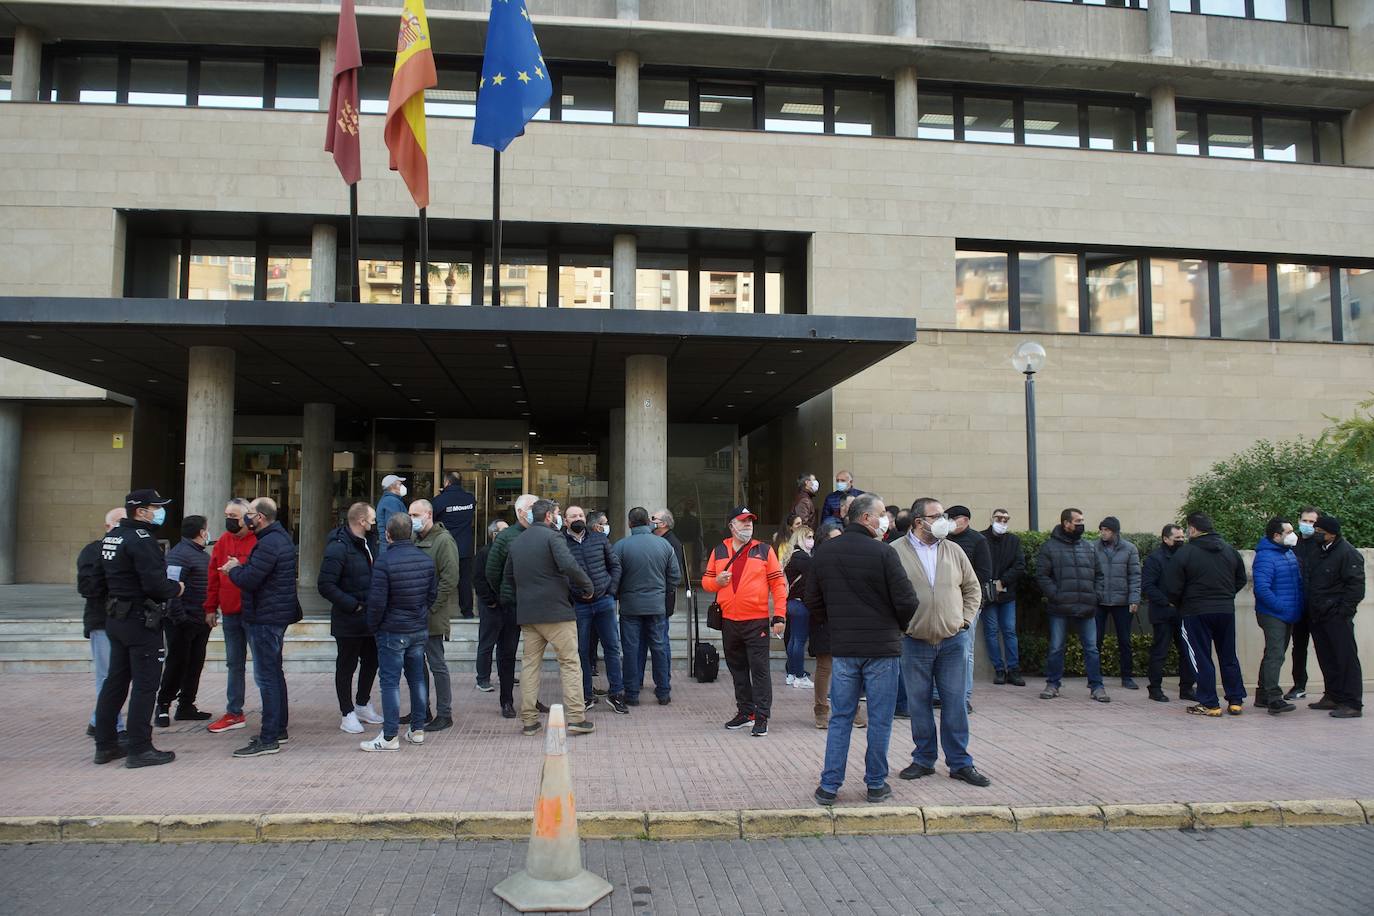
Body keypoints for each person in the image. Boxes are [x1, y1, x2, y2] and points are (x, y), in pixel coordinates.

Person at [807, 494, 920, 806]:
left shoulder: (825, 552)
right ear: (867, 518)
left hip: (844, 646)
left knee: (841, 716)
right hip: (882, 648)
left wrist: (835, 622)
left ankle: (829, 785)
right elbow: (907, 600)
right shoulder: (883, 553)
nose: (886, 519)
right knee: (880, 719)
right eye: (882, 514)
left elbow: (812, 601)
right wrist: (895, 625)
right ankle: (875, 784)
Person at [890, 498, 990, 787]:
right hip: (914, 641)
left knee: (955, 703)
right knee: (918, 704)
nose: (945, 520)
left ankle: (960, 763)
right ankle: (923, 759)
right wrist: (900, 627)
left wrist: (965, 622)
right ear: (919, 522)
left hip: (952, 640)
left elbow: (973, 589)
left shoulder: (954, 550)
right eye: (938, 515)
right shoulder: (895, 552)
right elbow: (884, 593)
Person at [93, 489, 183, 768]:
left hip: (117, 618)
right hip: (140, 620)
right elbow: (155, 584)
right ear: (141, 511)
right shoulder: (142, 540)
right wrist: (176, 589)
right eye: (155, 507)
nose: (159, 512)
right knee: (145, 686)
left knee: (115, 682)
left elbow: (98, 581)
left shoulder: (112, 537)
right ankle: (140, 748)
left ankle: (106, 744)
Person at [502, 499, 596, 736]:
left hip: (529, 614)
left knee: (530, 665)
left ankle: (529, 720)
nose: (558, 517)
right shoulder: (553, 537)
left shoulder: (518, 541)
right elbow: (569, 565)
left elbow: (508, 577)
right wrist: (587, 585)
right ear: (548, 517)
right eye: (557, 514)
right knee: (570, 663)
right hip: (557, 612)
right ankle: (576, 717)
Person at [702, 506, 788, 737]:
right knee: (737, 669)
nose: (748, 525)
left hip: (756, 621)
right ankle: (745, 712)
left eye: (750, 521)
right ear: (732, 526)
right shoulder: (719, 550)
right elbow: (707, 582)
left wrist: (779, 615)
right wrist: (718, 581)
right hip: (729, 621)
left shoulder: (763, 550)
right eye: (742, 521)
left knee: (759, 670)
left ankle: (762, 717)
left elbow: (778, 585)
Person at [224, 497, 298, 757]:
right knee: (273, 674)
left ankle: (269, 737)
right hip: (271, 615)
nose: (247, 518)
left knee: (267, 677)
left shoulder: (269, 543)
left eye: (251, 513)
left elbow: (251, 579)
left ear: (261, 517)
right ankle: (277, 729)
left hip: (266, 617)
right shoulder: (277, 539)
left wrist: (234, 569)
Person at [361, 513, 436, 751]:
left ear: (388, 534)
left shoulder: (384, 561)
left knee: (390, 683)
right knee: (416, 679)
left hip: (392, 629)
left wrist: (374, 625)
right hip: (416, 627)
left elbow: (377, 601)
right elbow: (431, 594)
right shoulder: (425, 560)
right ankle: (417, 729)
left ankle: (390, 735)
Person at [1163, 512, 1249, 718]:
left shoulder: (1185, 553)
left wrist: (1182, 603)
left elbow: (1171, 587)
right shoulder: (1229, 551)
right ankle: (1235, 700)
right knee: (1228, 655)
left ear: (1192, 529)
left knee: (1200, 657)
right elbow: (1241, 579)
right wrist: (1226, 596)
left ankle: (1210, 702)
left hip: (1195, 612)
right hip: (1225, 610)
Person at [318, 502, 382, 734]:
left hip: (369, 619)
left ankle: (363, 703)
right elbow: (325, 585)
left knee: (371, 661)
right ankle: (347, 713)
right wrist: (352, 605)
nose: (375, 523)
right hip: (349, 620)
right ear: (362, 521)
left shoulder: (369, 543)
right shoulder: (338, 547)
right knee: (346, 666)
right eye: (372, 518)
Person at [1036, 508, 1109, 703]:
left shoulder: (1088, 547)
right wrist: (1056, 596)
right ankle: (1053, 684)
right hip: (1059, 607)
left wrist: (1096, 596)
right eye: (1077, 521)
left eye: (1082, 520)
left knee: (1092, 649)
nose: (1081, 524)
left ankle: (1097, 687)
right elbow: (1042, 576)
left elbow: (1099, 575)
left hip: (1087, 606)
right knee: (1056, 647)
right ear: (1066, 523)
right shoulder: (1049, 547)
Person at [615, 507, 680, 707]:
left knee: (631, 649)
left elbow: (614, 577)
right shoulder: (664, 545)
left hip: (630, 606)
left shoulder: (620, 546)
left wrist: (620, 594)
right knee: (659, 648)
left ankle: (632, 693)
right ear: (648, 522)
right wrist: (662, 592)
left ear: (629, 523)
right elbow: (675, 576)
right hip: (656, 605)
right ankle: (663, 692)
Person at [564, 505, 626, 714]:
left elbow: (615, 565)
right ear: (565, 521)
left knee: (612, 648)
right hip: (579, 605)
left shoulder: (599, 539)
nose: (578, 518)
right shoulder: (560, 543)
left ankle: (616, 693)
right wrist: (572, 595)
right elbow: (560, 574)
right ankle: (586, 695)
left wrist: (611, 590)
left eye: (580, 515)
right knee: (582, 651)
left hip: (604, 602)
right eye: (573, 516)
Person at [806, 522, 868, 730]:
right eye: (833, 539)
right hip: (824, 621)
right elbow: (811, 595)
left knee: (851, 668)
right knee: (825, 667)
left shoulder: (852, 562)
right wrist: (824, 615)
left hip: (849, 621)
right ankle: (821, 711)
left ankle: (853, 710)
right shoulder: (817, 562)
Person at [205, 498, 257, 735]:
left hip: (254, 613)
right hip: (230, 612)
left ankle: (276, 712)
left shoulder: (259, 540)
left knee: (265, 665)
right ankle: (234, 711)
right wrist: (210, 607)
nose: (229, 520)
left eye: (234, 517)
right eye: (227, 515)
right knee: (234, 663)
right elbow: (213, 576)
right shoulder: (223, 541)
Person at [1304, 515, 1365, 719]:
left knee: (1345, 658)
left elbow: (1355, 587)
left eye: (1320, 532)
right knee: (1327, 657)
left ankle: (1352, 702)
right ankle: (1333, 695)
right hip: (1319, 614)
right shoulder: (1318, 551)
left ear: (1332, 534)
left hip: (1337, 616)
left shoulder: (1348, 553)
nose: (1316, 534)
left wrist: (1343, 611)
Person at [155, 515, 213, 726]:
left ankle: (187, 704)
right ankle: (163, 705)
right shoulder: (179, 555)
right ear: (201, 532)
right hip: (182, 622)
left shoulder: (201, 555)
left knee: (195, 664)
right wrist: (181, 619)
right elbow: (172, 590)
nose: (208, 533)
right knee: (177, 664)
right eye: (206, 529)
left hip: (200, 621)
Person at [409, 499, 459, 732]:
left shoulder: (443, 541)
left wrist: (432, 607)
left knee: (437, 664)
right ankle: (421, 709)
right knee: (416, 665)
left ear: (428, 514)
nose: (412, 519)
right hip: (413, 614)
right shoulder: (412, 539)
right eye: (410, 515)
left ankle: (444, 713)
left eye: (416, 514)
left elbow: (450, 579)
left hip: (432, 614)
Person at [78, 507, 126, 739]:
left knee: (118, 676)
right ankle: (112, 727)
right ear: (108, 526)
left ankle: (99, 721)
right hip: (102, 621)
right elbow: (88, 587)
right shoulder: (94, 551)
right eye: (120, 522)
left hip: (122, 621)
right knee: (108, 676)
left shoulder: (128, 548)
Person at [1251, 517, 1302, 715]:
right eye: (1288, 532)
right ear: (1276, 535)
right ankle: (1273, 697)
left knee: (1273, 653)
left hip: (1287, 613)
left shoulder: (1287, 553)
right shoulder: (1265, 557)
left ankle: (1263, 694)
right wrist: (1282, 608)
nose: (1292, 535)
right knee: (1275, 654)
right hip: (1274, 614)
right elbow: (1262, 589)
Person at [1141, 524, 1196, 703]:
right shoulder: (1155, 559)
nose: (1181, 541)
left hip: (1183, 612)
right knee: (1160, 652)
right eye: (1177, 538)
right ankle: (1155, 688)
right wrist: (1167, 601)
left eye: (1182, 538)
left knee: (1187, 652)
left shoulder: (1187, 557)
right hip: (1163, 613)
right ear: (1165, 539)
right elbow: (1148, 586)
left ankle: (1187, 688)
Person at [944, 505, 990, 712]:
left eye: (955, 518)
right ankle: (940, 695)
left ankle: (964, 697)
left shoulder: (978, 541)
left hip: (968, 603)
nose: (951, 522)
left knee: (966, 650)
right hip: (946, 603)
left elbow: (983, 573)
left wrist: (957, 583)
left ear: (966, 520)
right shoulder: (942, 539)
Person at [1094, 516, 1142, 690]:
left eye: (1106, 530)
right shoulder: (1093, 547)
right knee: (1095, 641)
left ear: (1114, 531)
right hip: (1099, 601)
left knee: (1124, 640)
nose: (1103, 533)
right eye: (1101, 530)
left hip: (1122, 601)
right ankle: (1094, 676)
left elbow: (1135, 575)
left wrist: (1134, 599)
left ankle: (1127, 677)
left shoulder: (1129, 549)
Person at [981, 509, 1024, 686]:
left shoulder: (1013, 541)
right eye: (999, 518)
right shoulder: (981, 539)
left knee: (1009, 631)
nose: (1002, 522)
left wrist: (1003, 582)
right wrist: (990, 584)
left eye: (1006, 519)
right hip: (987, 594)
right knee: (991, 631)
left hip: (1007, 593)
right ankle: (999, 669)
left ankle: (1013, 669)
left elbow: (1019, 565)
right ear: (991, 519)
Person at [1286, 505, 1322, 701]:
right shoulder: (1293, 544)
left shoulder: (1321, 544)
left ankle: (1332, 689)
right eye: (1305, 521)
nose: (1307, 525)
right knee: (1298, 647)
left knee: (1325, 647)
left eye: (1312, 522)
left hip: (1318, 605)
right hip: (1299, 604)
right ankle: (1299, 685)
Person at [431, 472, 477, 619]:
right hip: (465, 546)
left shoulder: (439, 500)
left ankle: (436, 608)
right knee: (465, 580)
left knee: (440, 578)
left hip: (445, 546)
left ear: (446, 482)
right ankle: (467, 612)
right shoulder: (470, 499)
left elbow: (432, 518)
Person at [473, 518, 509, 694]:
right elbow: (479, 580)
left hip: (506, 605)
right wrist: (490, 600)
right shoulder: (484, 552)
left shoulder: (509, 551)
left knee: (505, 645)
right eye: (503, 530)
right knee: (487, 643)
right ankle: (483, 678)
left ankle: (505, 675)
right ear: (494, 534)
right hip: (491, 606)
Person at [780, 526, 815, 689]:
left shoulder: (791, 556)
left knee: (793, 640)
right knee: (799, 641)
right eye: (808, 537)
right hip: (801, 604)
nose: (811, 540)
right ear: (801, 538)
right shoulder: (804, 558)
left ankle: (792, 673)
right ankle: (799, 675)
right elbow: (812, 582)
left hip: (790, 602)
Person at [375, 475, 408, 555]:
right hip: (392, 548)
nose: (402, 486)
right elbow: (395, 527)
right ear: (392, 487)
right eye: (400, 484)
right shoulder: (391, 501)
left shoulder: (391, 500)